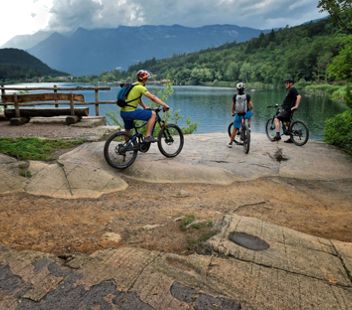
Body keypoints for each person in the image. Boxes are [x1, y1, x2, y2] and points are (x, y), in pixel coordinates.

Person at [120, 70, 169, 142]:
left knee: (128, 129)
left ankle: (126, 146)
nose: (147, 80)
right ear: (143, 79)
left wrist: (144, 106)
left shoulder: (133, 85)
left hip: (123, 112)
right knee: (153, 114)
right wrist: (164, 105)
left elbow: (137, 98)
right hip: (130, 112)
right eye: (146, 78)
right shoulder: (140, 87)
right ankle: (148, 136)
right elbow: (153, 98)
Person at [227, 82, 254, 148]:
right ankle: (249, 126)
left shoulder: (235, 96)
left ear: (237, 89)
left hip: (238, 114)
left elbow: (233, 106)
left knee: (235, 129)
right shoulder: (247, 96)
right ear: (244, 89)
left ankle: (230, 143)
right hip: (245, 114)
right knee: (250, 114)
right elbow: (251, 106)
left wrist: (232, 112)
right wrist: (249, 109)